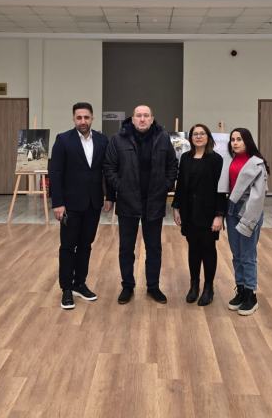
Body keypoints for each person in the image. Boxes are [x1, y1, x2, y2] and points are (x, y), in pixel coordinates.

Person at [104, 105, 178, 305]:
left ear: (152, 119)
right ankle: (127, 285)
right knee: (126, 248)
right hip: (128, 201)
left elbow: (172, 164)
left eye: (146, 115)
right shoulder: (118, 139)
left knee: (154, 248)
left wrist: (166, 185)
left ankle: (153, 286)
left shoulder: (163, 138)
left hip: (154, 201)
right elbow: (109, 167)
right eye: (139, 115)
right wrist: (121, 187)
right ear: (133, 119)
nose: (142, 119)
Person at [49, 102, 116, 310]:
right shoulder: (63, 140)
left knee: (86, 245)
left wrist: (110, 196)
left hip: (93, 203)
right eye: (79, 118)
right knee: (68, 246)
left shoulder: (102, 140)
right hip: (70, 205)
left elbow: (108, 169)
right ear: (73, 119)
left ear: (92, 118)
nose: (83, 121)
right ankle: (66, 289)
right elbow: (55, 173)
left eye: (86, 117)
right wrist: (58, 203)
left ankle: (80, 283)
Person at [172, 124, 226, 306]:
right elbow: (181, 185)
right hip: (189, 212)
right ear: (191, 138)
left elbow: (221, 190)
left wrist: (219, 215)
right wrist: (176, 207)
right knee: (193, 248)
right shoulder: (185, 158)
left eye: (202, 133)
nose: (198, 136)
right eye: (195, 134)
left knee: (208, 248)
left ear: (208, 137)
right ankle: (194, 285)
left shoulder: (216, 159)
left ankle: (208, 287)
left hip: (208, 213)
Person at [219, 128, 269, 316]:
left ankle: (250, 294)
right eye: (233, 139)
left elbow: (258, 195)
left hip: (249, 207)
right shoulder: (229, 160)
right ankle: (240, 289)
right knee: (236, 253)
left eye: (239, 139)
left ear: (247, 141)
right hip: (231, 207)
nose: (235, 142)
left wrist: (251, 215)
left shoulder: (257, 163)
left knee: (248, 254)